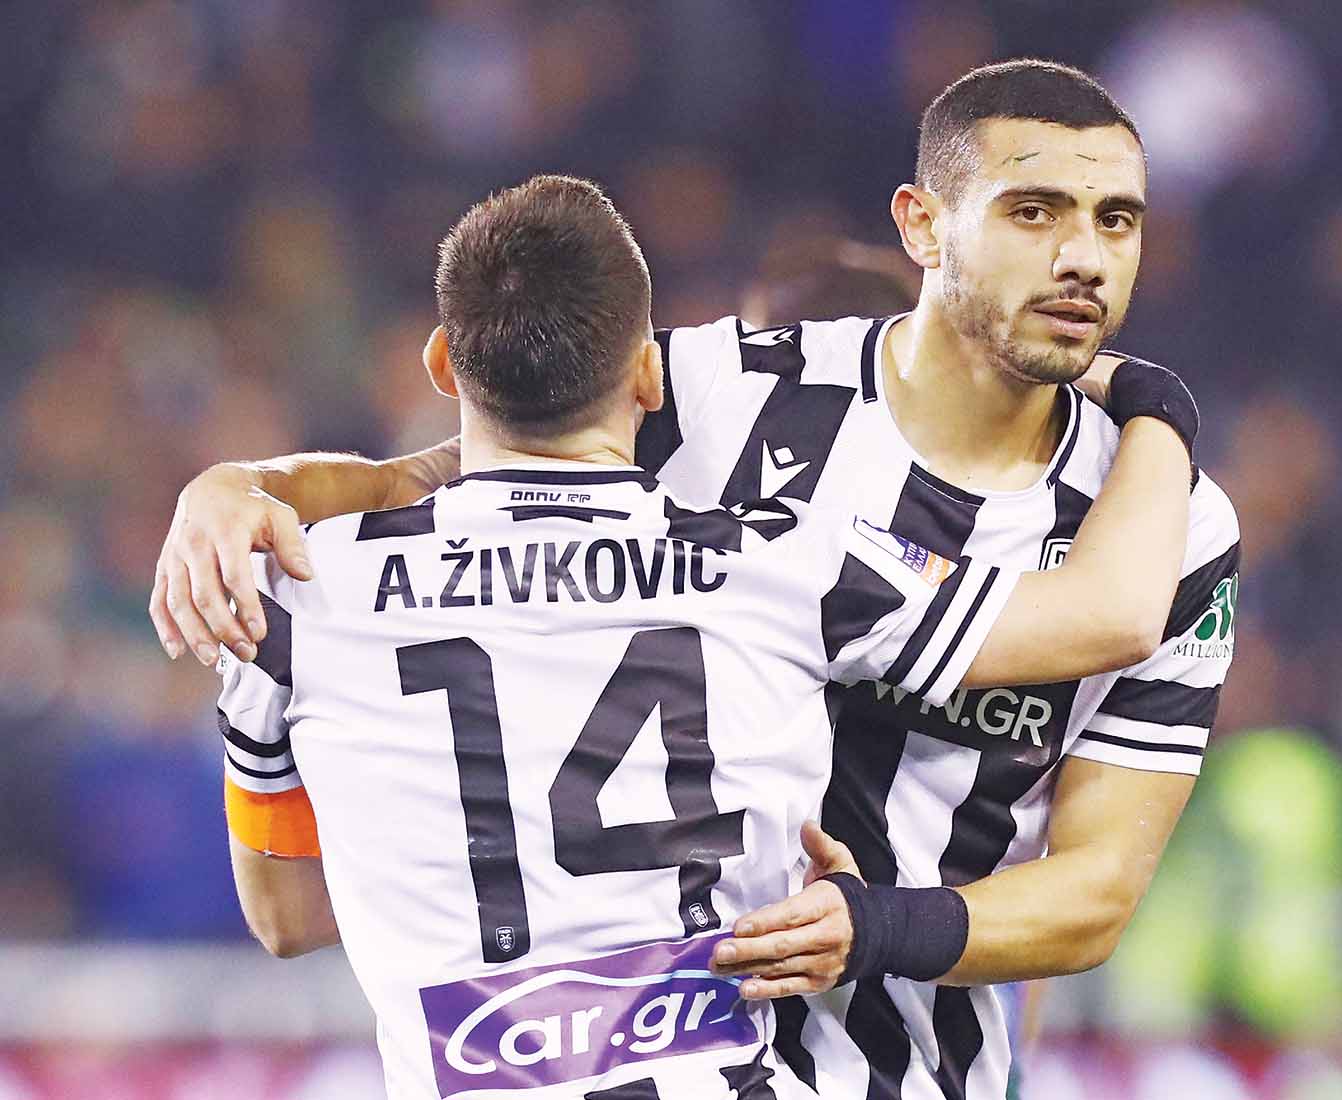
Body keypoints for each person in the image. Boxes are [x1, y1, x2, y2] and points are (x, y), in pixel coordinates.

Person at [158, 61, 1241, 1100]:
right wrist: (238, 486)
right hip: (683, 1045)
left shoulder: (1171, 529)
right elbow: (451, 470)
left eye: (1117, 221)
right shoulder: (722, 393)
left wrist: (877, 926)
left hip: (916, 1065)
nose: (1083, 257)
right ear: (922, 224)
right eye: (1034, 212)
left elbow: (1096, 892)